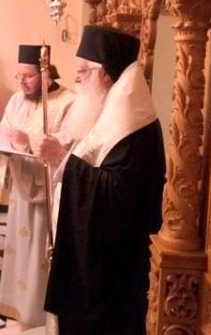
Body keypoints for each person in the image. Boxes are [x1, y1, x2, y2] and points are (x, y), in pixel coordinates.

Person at [34, 25, 166, 335]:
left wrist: (62, 159)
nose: (77, 79)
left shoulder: (131, 123)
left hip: (113, 268)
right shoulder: (112, 109)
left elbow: (117, 194)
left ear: (104, 74)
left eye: (83, 72)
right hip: (100, 257)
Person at [0, 45, 73, 329]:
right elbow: (5, 129)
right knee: (19, 249)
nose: (22, 82)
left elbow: (68, 143)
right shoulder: (17, 100)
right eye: (20, 76)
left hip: (47, 193)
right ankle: (17, 306)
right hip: (21, 189)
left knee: (40, 253)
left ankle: (39, 313)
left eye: (28, 76)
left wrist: (28, 141)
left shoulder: (68, 101)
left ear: (46, 73)